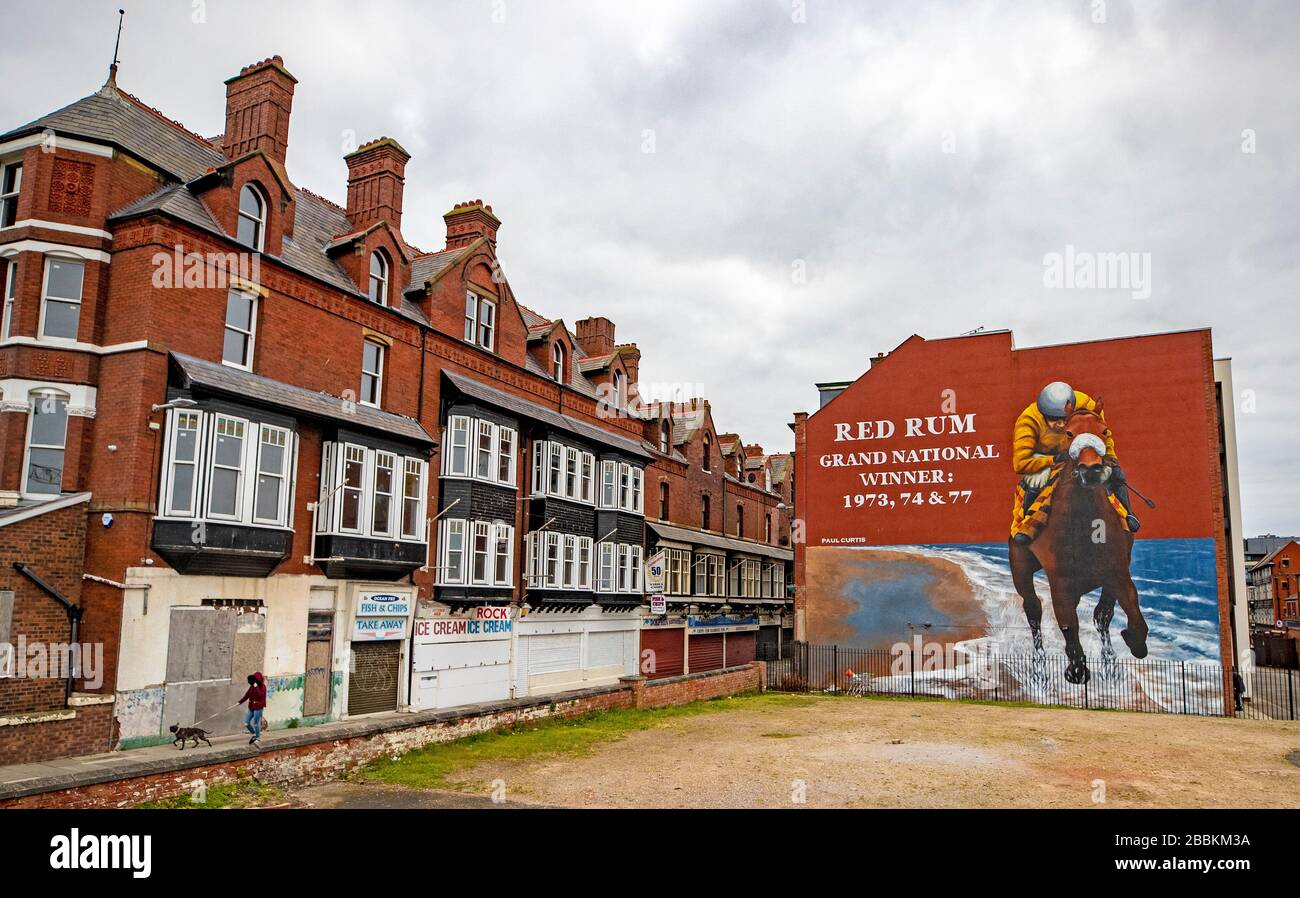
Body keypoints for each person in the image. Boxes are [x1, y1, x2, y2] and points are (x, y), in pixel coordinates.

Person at [1010, 381, 1140, 545]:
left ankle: (1128, 514)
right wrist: (1053, 460)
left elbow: (1103, 433)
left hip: (1081, 451)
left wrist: (1110, 457)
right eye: (1053, 420)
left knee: (1116, 473)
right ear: (1042, 415)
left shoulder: (1087, 405)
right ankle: (1027, 524)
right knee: (1035, 481)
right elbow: (1020, 463)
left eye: (1064, 419)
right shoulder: (1028, 421)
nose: (1060, 424)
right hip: (1045, 458)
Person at [237, 671, 266, 746]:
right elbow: (247, 695)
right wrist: (239, 702)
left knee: (256, 724)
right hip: (251, 707)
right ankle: (254, 734)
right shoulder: (252, 686)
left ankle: (258, 737)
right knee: (246, 723)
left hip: (258, 708)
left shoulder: (263, 686)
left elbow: (260, 695)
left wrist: (256, 687)